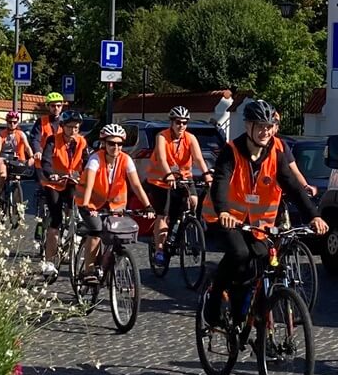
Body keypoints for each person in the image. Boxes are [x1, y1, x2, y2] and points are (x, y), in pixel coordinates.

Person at [201, 101, 327, 325]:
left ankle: (252, 318)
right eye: (259, 125)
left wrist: (314, 215)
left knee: (261, 261)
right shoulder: (231, 151)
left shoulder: (275, 155)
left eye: (268, 126)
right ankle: (214, 297)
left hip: (258, 224)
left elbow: (293, 188)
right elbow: (219, 183)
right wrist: (224, 212)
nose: (265, 131)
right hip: (226, 219)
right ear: (247, 126)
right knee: (240, 254)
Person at [75, 123, 152, 280]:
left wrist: (148, 206)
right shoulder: (95, 159)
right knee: (96, 231)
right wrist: (87, 205)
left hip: (115, 204)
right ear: (104, 143)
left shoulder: (126, 160)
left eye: (119, 144)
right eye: (111, 143)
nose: (115, 147)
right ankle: (88, 271)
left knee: (118, 233)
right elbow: (89, 183)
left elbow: (136, 185)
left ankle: (107, 264)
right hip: (90, 202)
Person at [146, 106, 210, 270]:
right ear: (171, 122)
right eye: (178, 122)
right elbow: (161, 158)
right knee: (163, 214)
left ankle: (185, 226)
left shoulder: (190, 138)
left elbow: (198, 158)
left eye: (184, 123)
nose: (181, 126)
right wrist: (168, 174)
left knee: (193, 201)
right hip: (160, 179)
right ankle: (160, 250)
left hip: (183, 177)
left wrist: (207, 175)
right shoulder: (162, 136)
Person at [38, 111, 89, 277]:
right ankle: (49, 261)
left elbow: (88, 161)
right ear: (63, 127)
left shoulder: (81, 142)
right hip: (54, 183)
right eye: (69, 127)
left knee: (77, 209)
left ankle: (71, 235)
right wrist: (50, 173)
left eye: (76, 127)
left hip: (72, 182)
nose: (73, 130)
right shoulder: (53, 140)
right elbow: (46, 160)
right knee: (56, 220)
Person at [0, 111, 35, 207]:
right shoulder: (1, 134)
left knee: (17, 178)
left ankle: (17, 203)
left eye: (14, 122)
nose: (12, 124)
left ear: (17, 123)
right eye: (10, 122)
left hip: (16, 157)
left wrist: (31, 157)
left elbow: (27, 147)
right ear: (7, 122)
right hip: (3, 157)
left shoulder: (21, 134)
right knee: (3, 175)